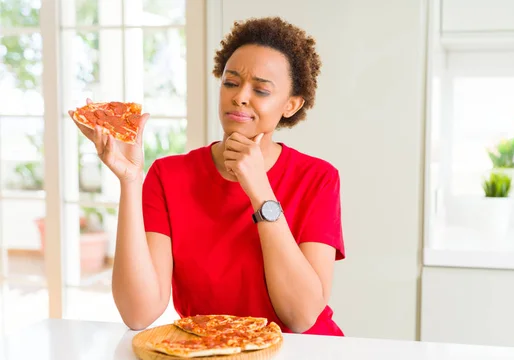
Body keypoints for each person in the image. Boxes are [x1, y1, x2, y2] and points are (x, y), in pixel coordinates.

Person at [69, 16, 345, 336]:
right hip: (208, 357)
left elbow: (302, 317)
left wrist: (259, 190)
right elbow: (138, 313)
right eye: (231, 82)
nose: (240, 96)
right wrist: (130, 182)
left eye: (261, 89)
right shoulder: (168, 176)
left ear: (291, 105)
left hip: (304, 357)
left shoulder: (318, 178)